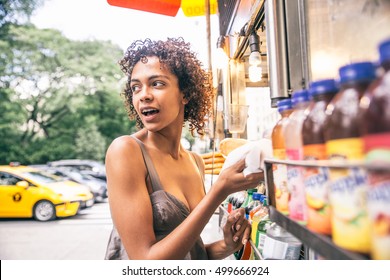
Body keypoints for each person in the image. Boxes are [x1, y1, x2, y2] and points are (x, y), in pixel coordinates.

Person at [104, 37, 264, 260]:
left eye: (157, 83)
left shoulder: (195, 162)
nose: (144, 95)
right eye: (135, 87)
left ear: (185, 93)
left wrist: (228, 245)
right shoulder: (126, 151)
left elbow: (192, 253)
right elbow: (145, 261)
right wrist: (219, 191)